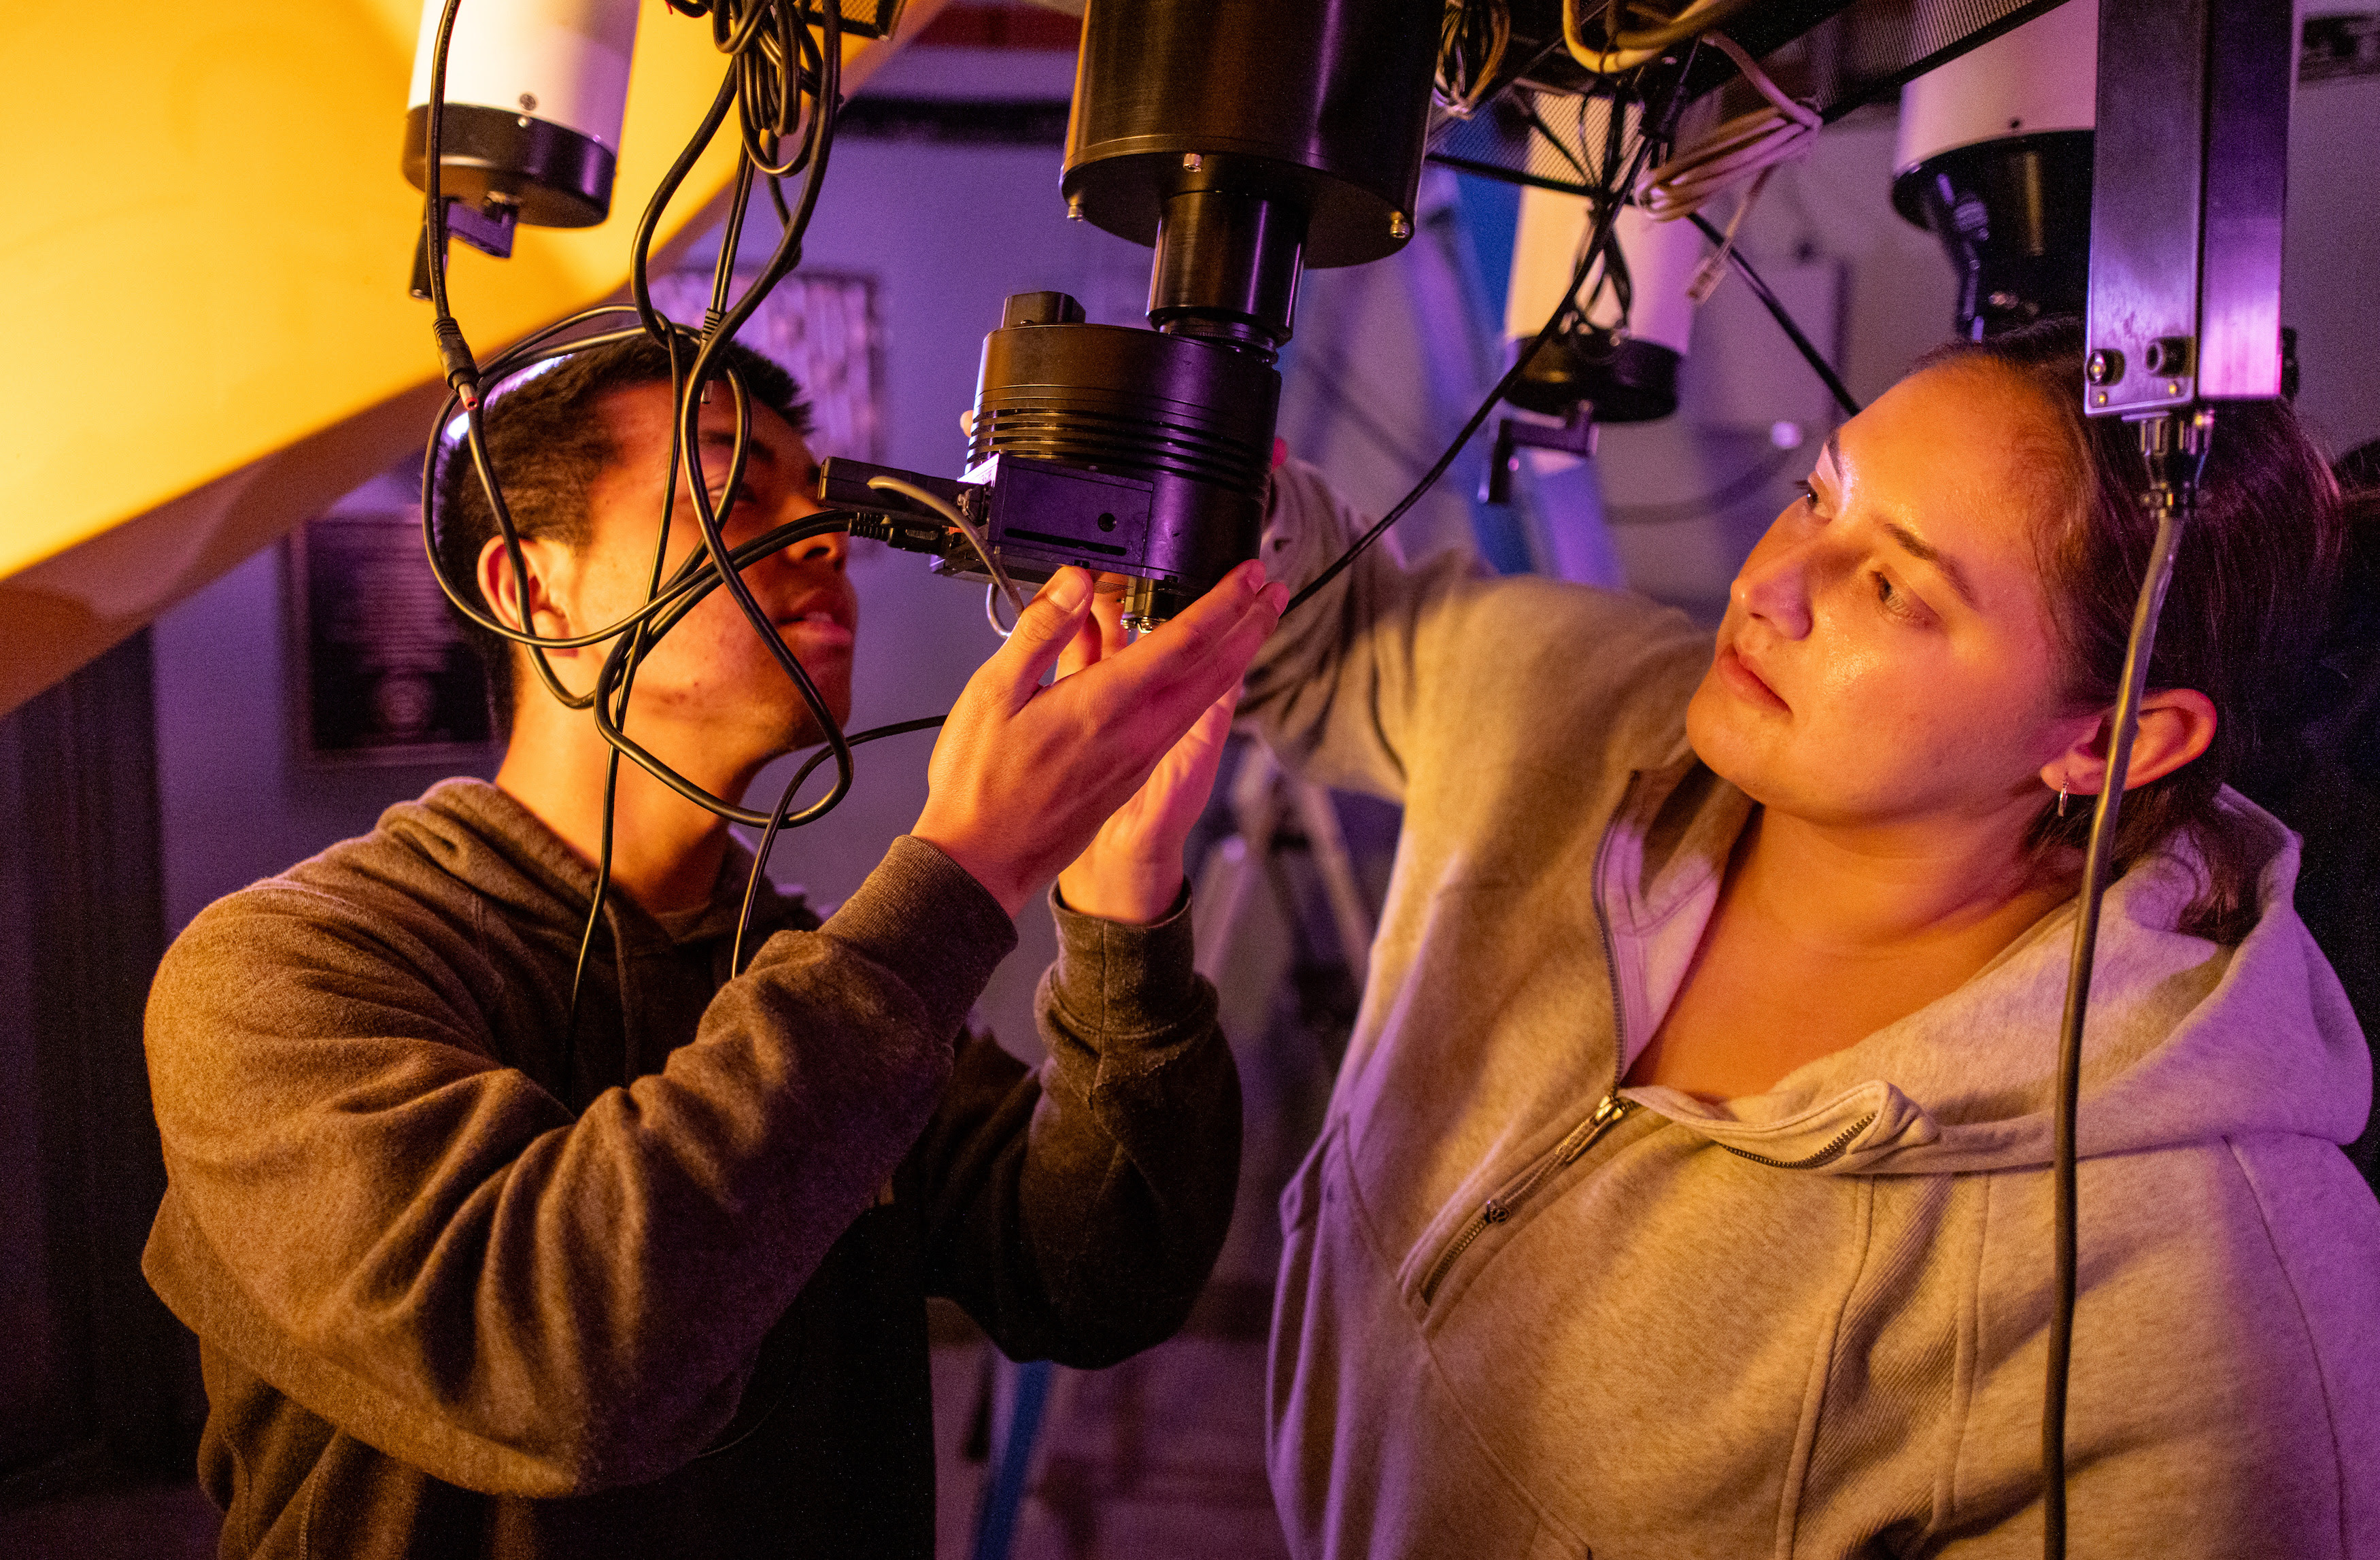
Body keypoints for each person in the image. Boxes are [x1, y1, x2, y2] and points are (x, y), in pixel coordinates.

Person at [1244, 320, 2380, 1556]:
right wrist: (1209, 501)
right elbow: (1330, 636)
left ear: (2109, 744)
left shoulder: (2192, 1307)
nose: (1765, 585)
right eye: (1815, 497)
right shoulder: (1587, 706)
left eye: (1893, 587)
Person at [139, 335, 1287, 1558]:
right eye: (737, 496)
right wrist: (965, 873)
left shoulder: (802, 973)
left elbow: (1096, 1269)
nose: (824, 535)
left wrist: (1124, 899)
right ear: (536, 590)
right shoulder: (282, 971)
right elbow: (561, 1370)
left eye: (816, 494)